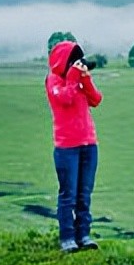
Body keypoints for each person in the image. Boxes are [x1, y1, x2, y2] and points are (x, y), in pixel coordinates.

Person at [45, 39, 104, 252]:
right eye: (73, 60)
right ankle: (67, 237)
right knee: (68, 195)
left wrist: (85, 79)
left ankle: (84, 235)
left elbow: (96, 99)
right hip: (67, 147)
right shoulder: (53, 81)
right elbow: (65, 99)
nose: (77, 64)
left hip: (89, 144)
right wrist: (72, 78)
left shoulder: (77, 80)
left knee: (84, 194)